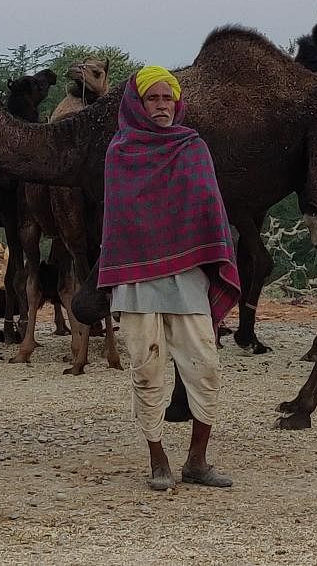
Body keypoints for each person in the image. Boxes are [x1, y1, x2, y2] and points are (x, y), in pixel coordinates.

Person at [97, 65, 242, 491]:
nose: (161, 106)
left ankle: (197, 461)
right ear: (137, 104)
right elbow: (120, 220)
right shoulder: (120, 151)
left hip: (187, 278)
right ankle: (158, 459)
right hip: (138, 280)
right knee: (147, 370)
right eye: (152, 99)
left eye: (167, 99)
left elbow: (207, 209)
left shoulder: (192, 147)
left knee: (206, 368)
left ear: (177, 103)